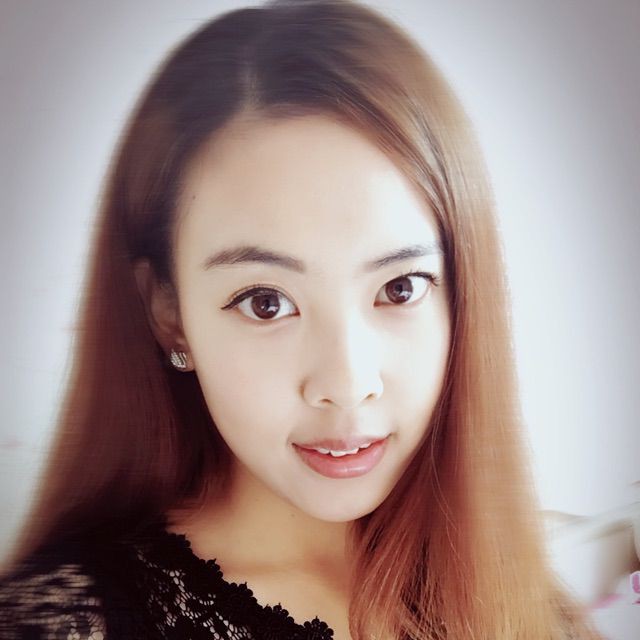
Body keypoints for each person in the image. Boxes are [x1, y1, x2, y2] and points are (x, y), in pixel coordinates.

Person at [0, 0, 605, 638]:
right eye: (266, 302)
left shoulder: (533, 605)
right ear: (168, 313)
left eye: (399, 288)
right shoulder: (61, 625)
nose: (345, 384)